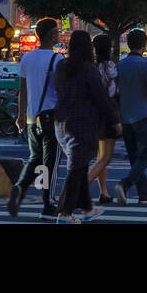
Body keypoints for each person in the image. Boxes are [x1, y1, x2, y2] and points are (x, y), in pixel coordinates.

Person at [52, 30, 121, 223]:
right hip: (82, 123)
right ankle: (65, 213)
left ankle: (86, 208)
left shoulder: (61, 67)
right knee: (76, 168)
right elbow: (101, 98)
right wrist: (115, 120)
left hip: (61, 123)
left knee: (80, 166)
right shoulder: (88, 69)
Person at [8, 18, 62, 218]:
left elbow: (22, 89)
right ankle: (48, 204)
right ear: (51, 36)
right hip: (51, 118)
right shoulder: (57, 60)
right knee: (50, 164)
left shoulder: (27, 58)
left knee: (34, 159)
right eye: (56, 32)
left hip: (31, 118)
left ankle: (20, 188)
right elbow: (62, 90)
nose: (58, 35)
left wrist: (21, 116)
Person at [112, 28, 147, 206]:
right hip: (143, 115)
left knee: (134, 156)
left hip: (125, 116)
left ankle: (143, 194)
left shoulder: (120, 66)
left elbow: (115, 91)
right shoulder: (146, 65)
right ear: (144, 44)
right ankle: (125, 184)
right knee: (144, 156)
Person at [89, 34, 119, 205]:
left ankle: (104, 192)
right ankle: (80, 188)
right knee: (105, 157)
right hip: (107, 114)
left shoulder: (90, 66)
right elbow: (112, 92)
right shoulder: (109, 66)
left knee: (100, 156)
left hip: (93, 114)